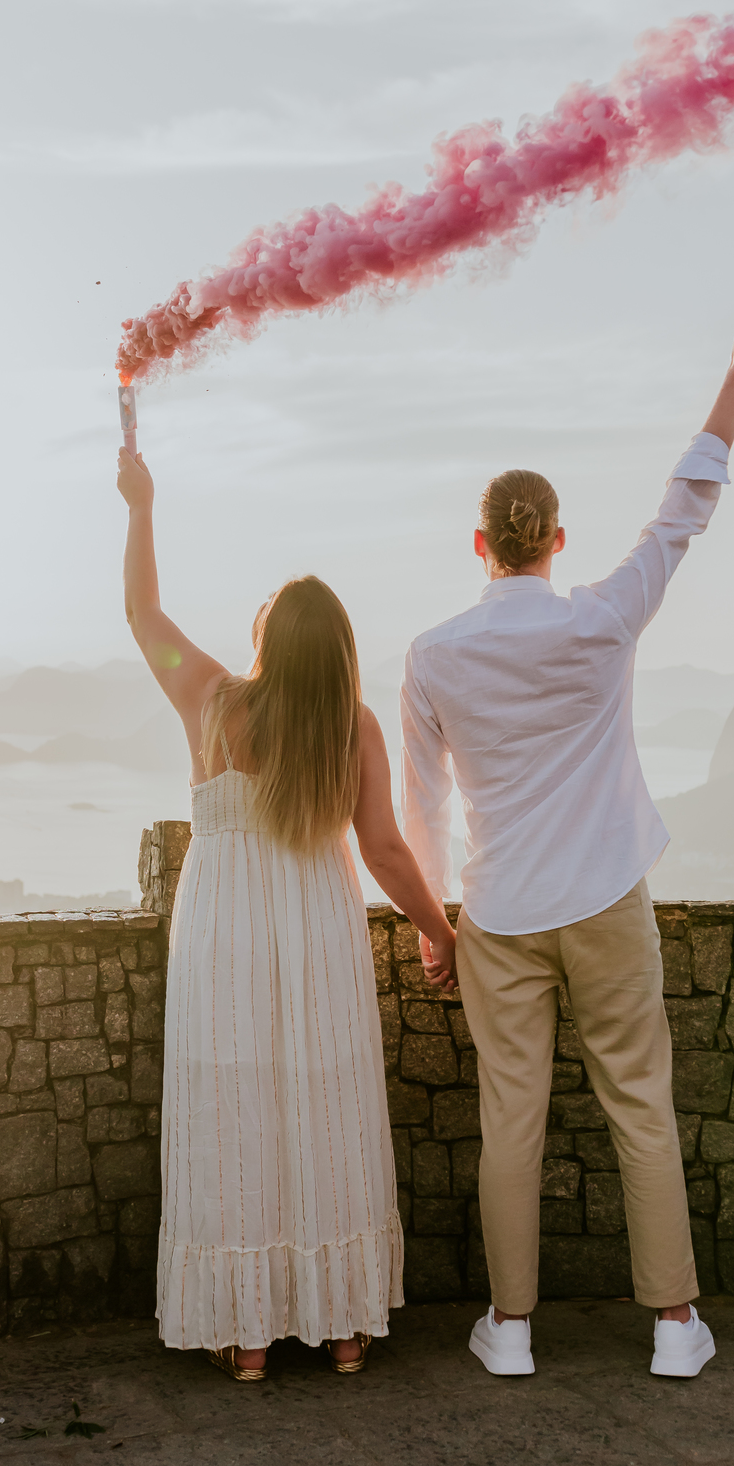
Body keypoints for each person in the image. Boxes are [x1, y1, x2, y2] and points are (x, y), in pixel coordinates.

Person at [400, 304, 734, 1380]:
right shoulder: (602, 618)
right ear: (556, 541)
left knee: (508, 1121)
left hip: (503, 914)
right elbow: (682, 507)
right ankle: (673, 1327)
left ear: (481, 546)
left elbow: (420, 804)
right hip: (608, 896)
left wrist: (435, 926)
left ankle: (510, 1330)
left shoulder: (433, 658)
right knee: (639, 1103)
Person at [116, 445, 457, 1382]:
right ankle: (347, 1329)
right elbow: (385, 851)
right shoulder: (350, 727)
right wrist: (440, 930)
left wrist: (141, 504)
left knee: (236, 1116)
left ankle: (252, 1336)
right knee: (328, 1107)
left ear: (269, 636)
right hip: (315, 930)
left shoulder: (215, 701)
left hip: (224, 932)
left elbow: (144, 615)